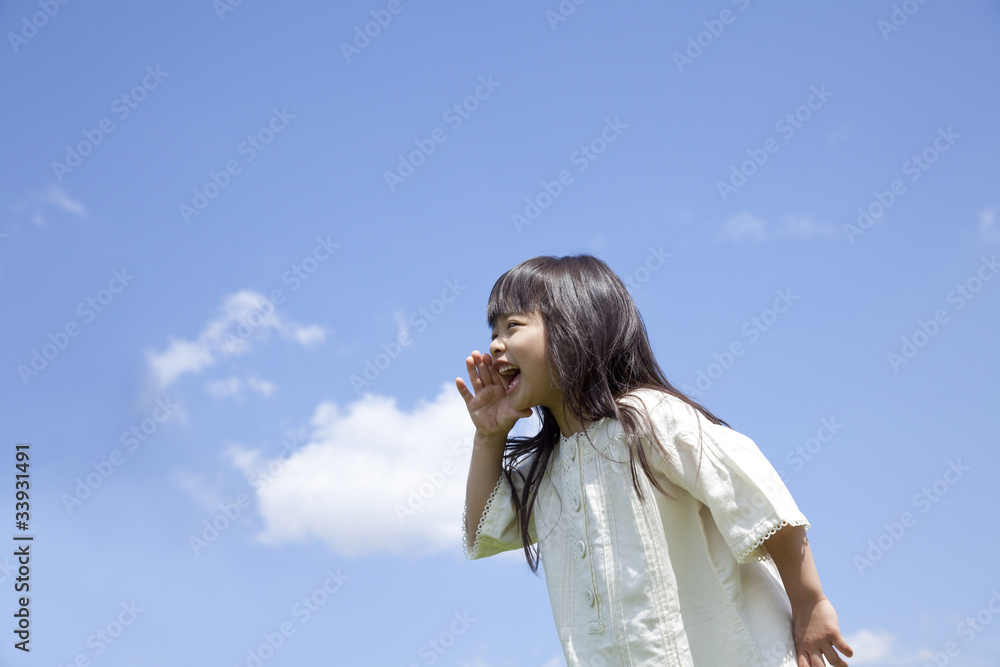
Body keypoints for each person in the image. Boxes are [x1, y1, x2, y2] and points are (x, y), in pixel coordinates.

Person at [456, 254, 853, 667]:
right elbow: (483, 531)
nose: (495, 344)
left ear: (576, 327)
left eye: (513, 326)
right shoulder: (549, 467)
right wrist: (489, 437)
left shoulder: (649, 418)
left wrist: (809, 603)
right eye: (493, 331)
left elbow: (757, 501)